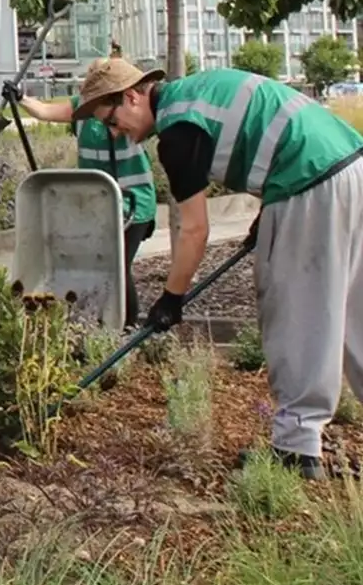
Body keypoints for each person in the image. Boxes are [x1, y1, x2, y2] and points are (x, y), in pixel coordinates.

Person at [71, 58, 363, 480]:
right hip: (350, 164)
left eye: (112, 120)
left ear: (132, 96)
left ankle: (297, 450)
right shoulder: (196, 94)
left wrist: (170, 299)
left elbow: (194, 231)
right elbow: (266, 128)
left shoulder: (177, 133)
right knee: (355, 308)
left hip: (308, 180)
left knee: (297, 309)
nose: (116, 133)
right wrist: (269, 212)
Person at [3, 79, 159, 326]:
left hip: (134, 204)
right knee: (96, 266)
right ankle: (99, 327)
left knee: (117, 266)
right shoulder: (82, 110)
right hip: (98, 206)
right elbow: (45, 112)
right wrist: (20, 97)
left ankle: (126, 329)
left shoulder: (124, 110)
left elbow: (125, 128)